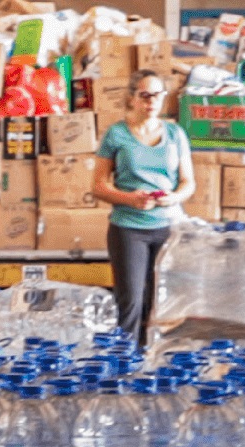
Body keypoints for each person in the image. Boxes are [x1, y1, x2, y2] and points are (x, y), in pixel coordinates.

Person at [92, 84, 199, 335]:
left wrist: (172, 197)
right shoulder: (116, 134)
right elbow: (98, 186)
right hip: (129, 228)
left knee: (162, 299)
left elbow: (188, 182)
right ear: (132, 98)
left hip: (168, 227)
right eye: (145, 95)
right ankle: (128, 360)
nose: (152, 101)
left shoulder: (175, 134)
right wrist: (129, 199)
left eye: (157, 95)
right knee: (130, 300)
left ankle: (156, 359)